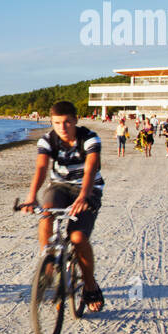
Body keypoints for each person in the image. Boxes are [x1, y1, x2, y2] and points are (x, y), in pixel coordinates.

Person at [22, 100, 105, 312]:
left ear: (76, 120)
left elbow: (91, 167)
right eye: (57, 123)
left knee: (77, 237)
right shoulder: (47, 140)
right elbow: (41, 167)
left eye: (67, 122)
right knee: (47, 213)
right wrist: (31, 196)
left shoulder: (89, 138)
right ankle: (47, 264)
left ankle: (89, 285)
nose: (62, 127)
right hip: (59, 186)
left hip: (88, 189)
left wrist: (84, 196)